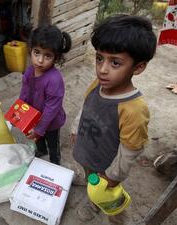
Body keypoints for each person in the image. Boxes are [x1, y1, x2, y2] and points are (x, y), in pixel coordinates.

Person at [71, 14, 157, 222]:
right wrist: (75, 128)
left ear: (138, 67)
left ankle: (117, 218)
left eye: (115, 63)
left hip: (108, 167)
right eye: (99, 58)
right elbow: (86, 107)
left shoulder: (134, 109)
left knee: (110, 196)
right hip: (88, 154)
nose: (102, 69)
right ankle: (93, 199)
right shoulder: (98, 84)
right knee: (92, 179)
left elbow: (131, 150)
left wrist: (112, 176)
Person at [19, 24, 72, 165]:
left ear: (56, 57)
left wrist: (40, 129)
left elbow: (51, 108)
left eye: (47, 55)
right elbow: (24, 92)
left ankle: (55, 161)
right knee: (38, 140)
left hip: (52, 122)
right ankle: (41, 151)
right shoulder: (30, 71)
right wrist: (19, 112)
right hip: (34, 116)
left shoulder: (54, 80)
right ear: (31, 50)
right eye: (37, 52)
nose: (40, 60)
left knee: (52, 143)